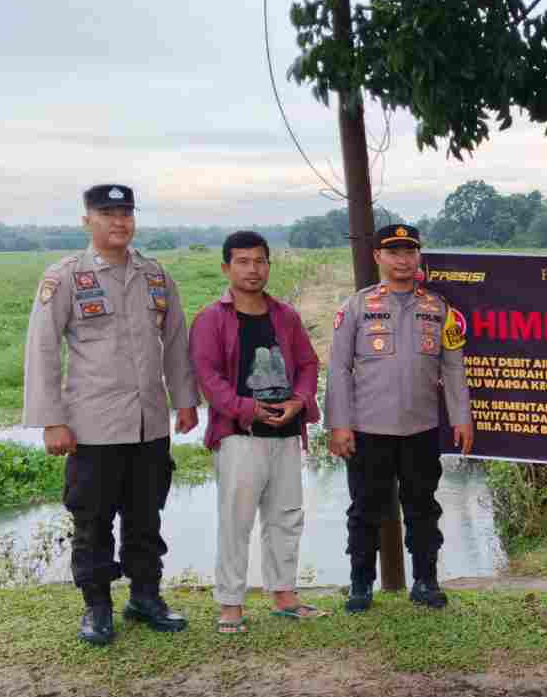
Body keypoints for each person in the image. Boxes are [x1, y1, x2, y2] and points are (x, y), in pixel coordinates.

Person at [23, 184, 199, 645]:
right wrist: (52, 420)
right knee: (93, 520)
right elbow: (42, 349)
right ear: (88, 220)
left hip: (149, 424)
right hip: (92, 426)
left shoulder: (156, 276)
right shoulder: (65, 278)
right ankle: (97, 607)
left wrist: (184, 400)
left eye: (126, 213)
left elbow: (176, 342)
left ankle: (145, 596)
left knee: (146, 517)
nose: (119, 222)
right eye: (107, 213)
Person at [325, 223, 474, 612]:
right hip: (368, 430)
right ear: (378, 257)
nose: (403, 259)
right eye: (394, 252)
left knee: (423, 508)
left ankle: (426, 581)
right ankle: (360, 585)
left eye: (410, 251)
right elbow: (339, 369)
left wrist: (462, 418)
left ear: (418, 256)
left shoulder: (438, 308)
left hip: (420, 429)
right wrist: (339, 424)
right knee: (364, 510)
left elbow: (454, 368)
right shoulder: (356, 307)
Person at [188, 231, 324, 634]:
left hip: (285, 432)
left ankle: (284, 595)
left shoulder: (285, 315)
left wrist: (298, 401)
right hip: (239, 435)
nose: (253, 269)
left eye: (260, 261)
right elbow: (207, 376)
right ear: (227, 268)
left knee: (286, 516)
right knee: (236, 520)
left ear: (268, 265)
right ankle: (230, 603)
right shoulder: (212, 318)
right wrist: (247, 408)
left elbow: (308, 364)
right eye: (243, 262)